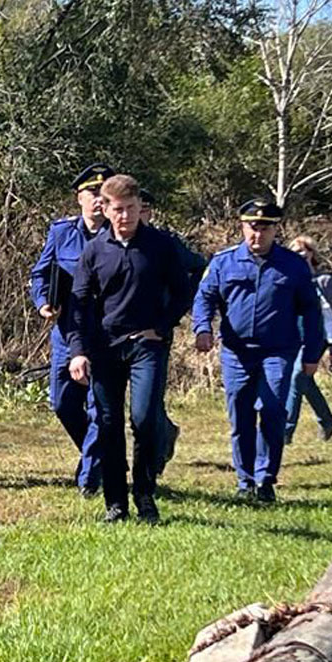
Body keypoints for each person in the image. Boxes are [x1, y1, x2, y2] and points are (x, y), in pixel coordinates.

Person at [67, 175, 190, 524]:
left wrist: (162, 327)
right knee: (108, 424)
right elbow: (79, 304)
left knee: (144, 418)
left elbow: (183, 292)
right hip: (105, 348)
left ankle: (145, 494)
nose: (125, 216)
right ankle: (116, 502)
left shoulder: (161, 245)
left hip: (146, 345)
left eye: (132, 209)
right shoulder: (94, 250)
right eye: (118, 210)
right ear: (105, 209)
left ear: (140, 207)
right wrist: (78, 351)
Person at [192, 200, 323, 504]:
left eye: (265, 228)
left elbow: (311, 311)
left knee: (273, 410)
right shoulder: (224, 261)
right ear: (242, 227)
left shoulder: (293, 265)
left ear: (276, 230)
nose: (257, 234)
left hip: (278, 351)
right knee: (240, 414)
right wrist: (202, 328)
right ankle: (245, 480)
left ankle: (265, 479)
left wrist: (312, 353)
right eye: (252, 227)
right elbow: (204, 297)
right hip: (237, 352)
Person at [29, 163, 110, 496]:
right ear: (79, 198)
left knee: (99, 406)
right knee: (62, 403)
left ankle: (89, 478)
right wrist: (42, 302)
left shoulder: (120, 235)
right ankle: (100, 455)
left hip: (105, 334)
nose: (98, 200)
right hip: (66, 331)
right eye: (92, 193)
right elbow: (40, 273)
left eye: (103, 193)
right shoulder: (61, 232)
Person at [139, 189, 207, 475]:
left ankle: (153, 460)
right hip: (114, 334)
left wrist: (175, 308)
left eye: (143, 208)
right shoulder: (110, 240)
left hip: (155, 331)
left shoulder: (165, 243)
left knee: (149, 400)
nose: (136, 214)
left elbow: (199, 266)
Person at [284, 235, 332, 443]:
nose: (299, 255)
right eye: (294, 252)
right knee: (305, 381)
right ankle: (327, 421)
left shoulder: (324, 281)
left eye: (303, 251)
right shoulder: (288, 280)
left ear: (312, 254)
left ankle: (285, 432)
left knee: (296, 377)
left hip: (318, 337)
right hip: (294, 337)